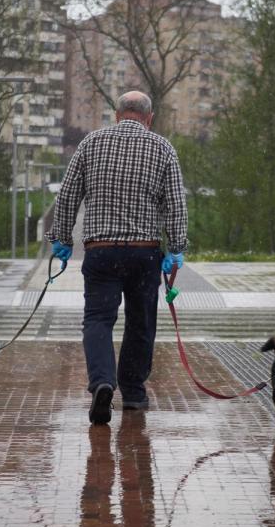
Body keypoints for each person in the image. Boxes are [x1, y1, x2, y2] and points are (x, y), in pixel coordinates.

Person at [45, 90, 188, 425]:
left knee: (98, 319)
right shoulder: (162, 148)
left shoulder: (91, 143)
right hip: (143, 254)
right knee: (141, 323)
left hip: (101, 251)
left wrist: (61, 239)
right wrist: (177, 247)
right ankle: (134, 393)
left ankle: (103, 383)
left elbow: (67, 196)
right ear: (149, 118)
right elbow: (176, 204)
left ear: (117, 114)